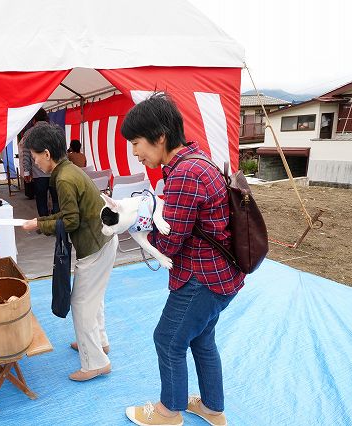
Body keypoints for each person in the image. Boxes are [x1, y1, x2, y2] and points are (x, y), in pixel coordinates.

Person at [121, 93, 245, 426]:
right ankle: (212, 407)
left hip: (201, 279)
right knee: (202, 338)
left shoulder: (184, 173)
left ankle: (169, 411)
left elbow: (171, 241)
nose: (135, 152)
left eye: (137, 143)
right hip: (223, 276)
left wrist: (139, 226)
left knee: (168, 338)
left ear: (160, 137)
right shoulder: (198, 159)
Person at [22, 122, 118, 382]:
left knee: (81, 304)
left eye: (34, 157)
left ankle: (96, 362)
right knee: (92, 299)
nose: (35, 163)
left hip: (95, 247)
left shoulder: (63, 178)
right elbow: (69, 215)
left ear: (46, 154)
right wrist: (43, 222)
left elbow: (71, 221)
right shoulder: (69, 170)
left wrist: (38, 224)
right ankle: (100, 342)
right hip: (105, 240)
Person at [22, 109, 60, 216]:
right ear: (46, 118)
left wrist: (27, 172)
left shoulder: (28, 133)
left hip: (39, 173)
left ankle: (44, 224)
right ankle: (57, 222)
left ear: (34, 120)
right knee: (57, 199)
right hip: (55, 172)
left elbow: (26, 154)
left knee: (41, 199)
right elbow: (61, 152)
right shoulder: (55, 131)